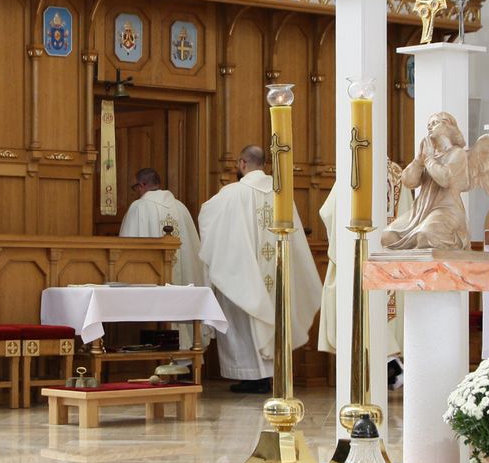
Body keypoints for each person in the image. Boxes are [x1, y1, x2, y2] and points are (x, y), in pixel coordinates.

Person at [198, 145, 322, 393]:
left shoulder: (232, 194)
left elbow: (207, 217)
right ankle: (270, 374)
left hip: (244, 273)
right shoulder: (282, 195)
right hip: (278, 273)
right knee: (274, 313)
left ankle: (252, 377)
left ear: (242, 163)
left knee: (244, 316)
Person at [317, 159, 413, 389]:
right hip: (390, 259)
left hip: (357, 254)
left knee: (359, 310)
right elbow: (410, 218)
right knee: (379, 310)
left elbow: (328, 212)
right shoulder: (398, 173)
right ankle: (389, 364)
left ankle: (377, 370)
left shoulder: (355, 167)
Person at [382, 112, 489, 251]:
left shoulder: (458, 154)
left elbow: (445, 179)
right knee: (388, 236)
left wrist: (429, 159)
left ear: (448, 127)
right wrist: (418, 160)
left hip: (447, 210)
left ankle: (455, 241)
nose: (430, 127)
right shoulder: (429, 155)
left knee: (425, 236)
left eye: (435, 123)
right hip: (421, 211)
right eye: (429, 125)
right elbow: (408, 182)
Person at [119, 168, 208, 353]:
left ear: (142, 185)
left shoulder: (139, 207)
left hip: (153, 286)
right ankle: (185, 356)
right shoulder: (180, 207)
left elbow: (126, 250)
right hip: (183, 285)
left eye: (135, 187)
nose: (136, 192)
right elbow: (194, 249)